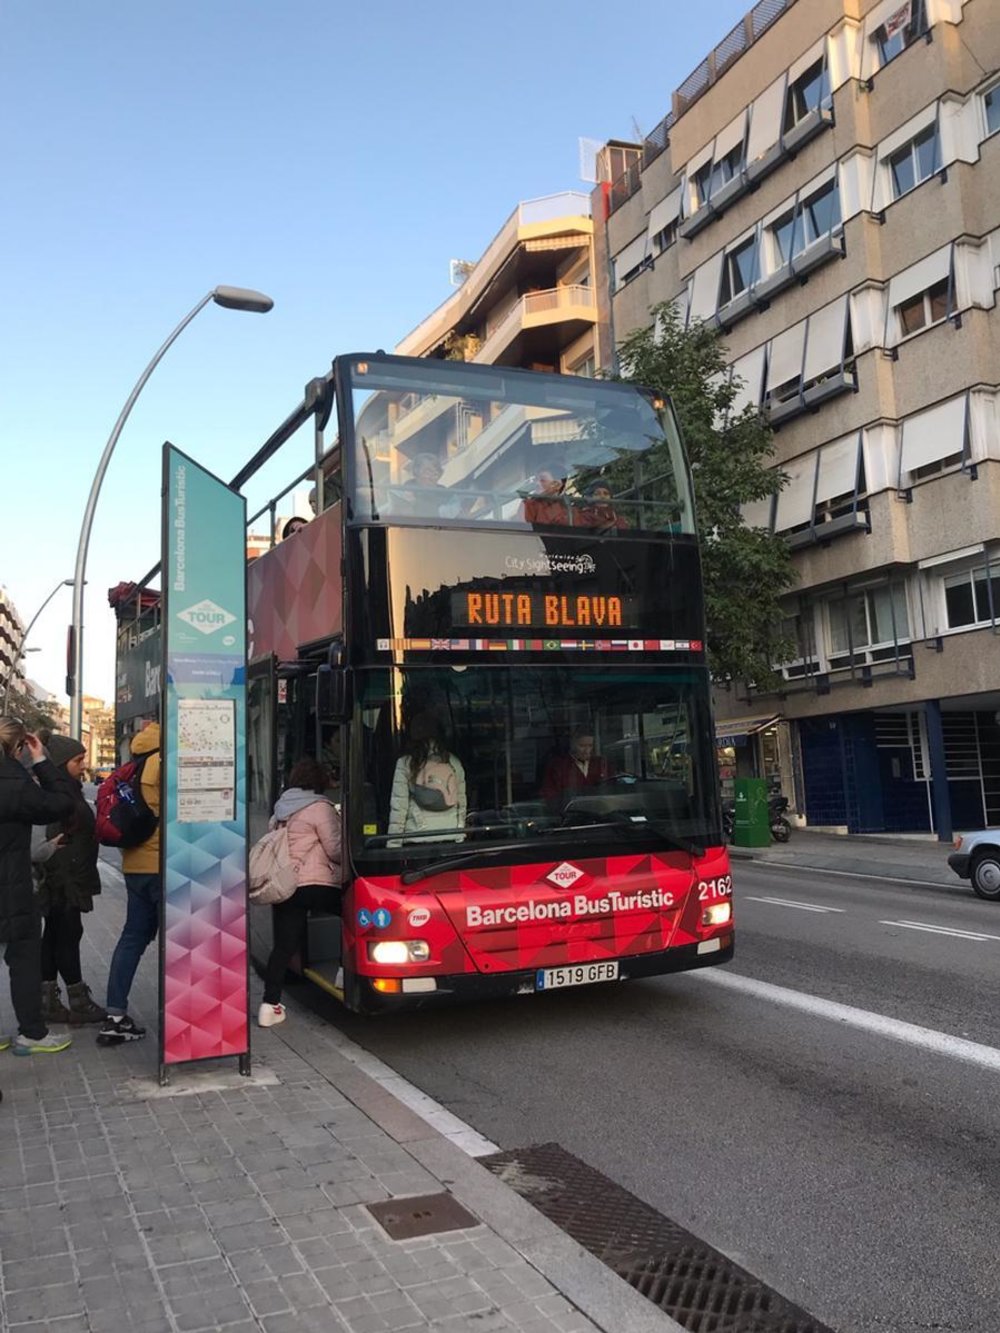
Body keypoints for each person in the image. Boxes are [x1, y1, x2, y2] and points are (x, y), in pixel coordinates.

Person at [0, 718, 74, 1056]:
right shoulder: (15, 782)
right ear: (17, 748)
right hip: (13, 889)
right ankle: (32, 1032)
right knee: (24, 960)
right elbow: (62, 803)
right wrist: (42, 760)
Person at [259, 758, 342, 1028]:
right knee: (354, 913)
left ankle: (269, 1006)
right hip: (316, 885)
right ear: (318, 781)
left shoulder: (280, 809)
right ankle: (344, 971)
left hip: (287, 885)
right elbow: (336, 850)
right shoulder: (320, 808)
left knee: (283, 946)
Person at [34, 735, 106, 1025]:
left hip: (68, 877)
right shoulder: (58, 796)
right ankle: (77, 999)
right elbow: (53, 840)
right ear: (62, 764)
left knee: (54, 936)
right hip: (64, 880)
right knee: (67, 936)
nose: (83, 765)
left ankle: (47, 1000)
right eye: (78, 760)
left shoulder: (67, 790)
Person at [97, 719, 161, 1046]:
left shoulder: (134, 762)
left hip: (135, 865)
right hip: (162, 865)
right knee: (179, 941)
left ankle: (115, 1016)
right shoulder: (161, 762)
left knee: (132, 937)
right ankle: (182, 1019)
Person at [388, 713, 467, 844]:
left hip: (417, 837)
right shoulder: (453, 762)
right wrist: (459, 834)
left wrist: (393, 843)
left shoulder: (405, 763)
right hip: (450, 836)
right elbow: (461, 803)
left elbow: (399, 807)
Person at [541, 731, 613, 810]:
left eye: (590, 746)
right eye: (582, 746)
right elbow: (550, 795)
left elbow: (611, 789)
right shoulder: (558, 766)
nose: (586, 751)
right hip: (569, 814)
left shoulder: (601, 764)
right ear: (573, 745)